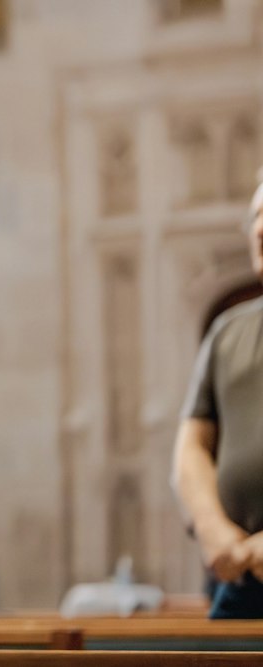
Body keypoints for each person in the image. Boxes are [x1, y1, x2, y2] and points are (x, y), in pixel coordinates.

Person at [174, 177, 263, 618]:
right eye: (257, 216)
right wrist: (213, 529)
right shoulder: (227, 332)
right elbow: (191, 447)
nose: (262, 227)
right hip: (243, 581)